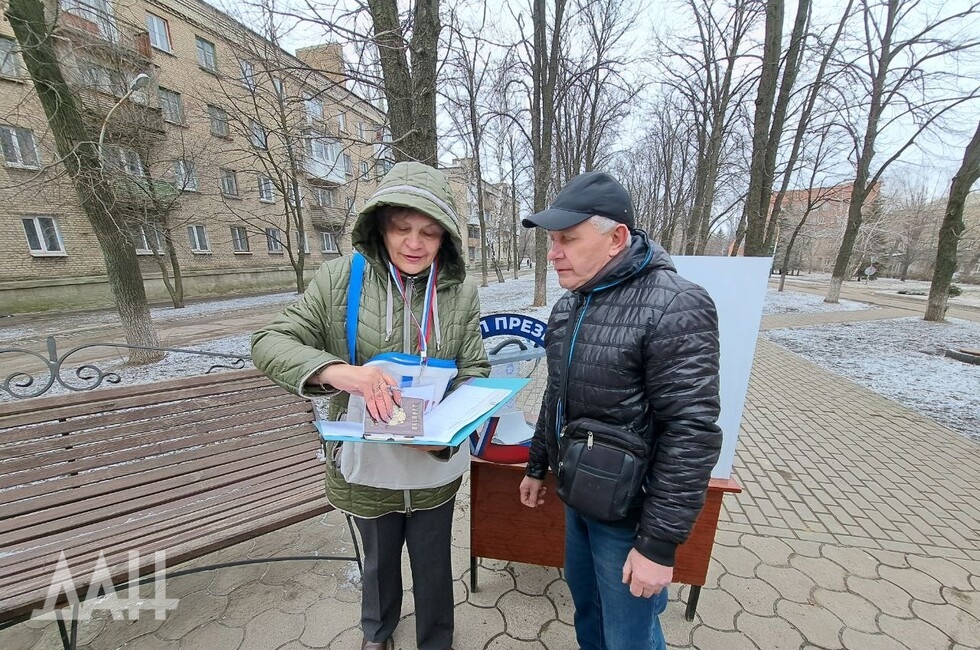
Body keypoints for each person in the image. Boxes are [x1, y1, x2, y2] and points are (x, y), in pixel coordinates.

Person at [252, 161, 489, 650]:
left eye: (429, 232)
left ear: (445, 237)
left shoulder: (460, 292)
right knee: (379, 560)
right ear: (380, 226)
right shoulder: (340, 279)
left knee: (432, 559)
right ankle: (377, 633)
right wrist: (338, 372)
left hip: (432, 461)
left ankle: (436, 640)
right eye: (402, 228)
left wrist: (447, 435)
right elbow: (270, 341)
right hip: (366, 461)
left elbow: (474, 371)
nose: (414, 243)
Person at [518, 172, 722, 650]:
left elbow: (691, 430)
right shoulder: (570, 306)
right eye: (552, 240)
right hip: (580, 498)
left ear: (617, 239)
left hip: (632, 516)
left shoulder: (675, 303)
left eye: (568, 238)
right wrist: (536, 465)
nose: (553, 253)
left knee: (629, 635)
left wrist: (657, 545)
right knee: (587, 611)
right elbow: (556, 395)